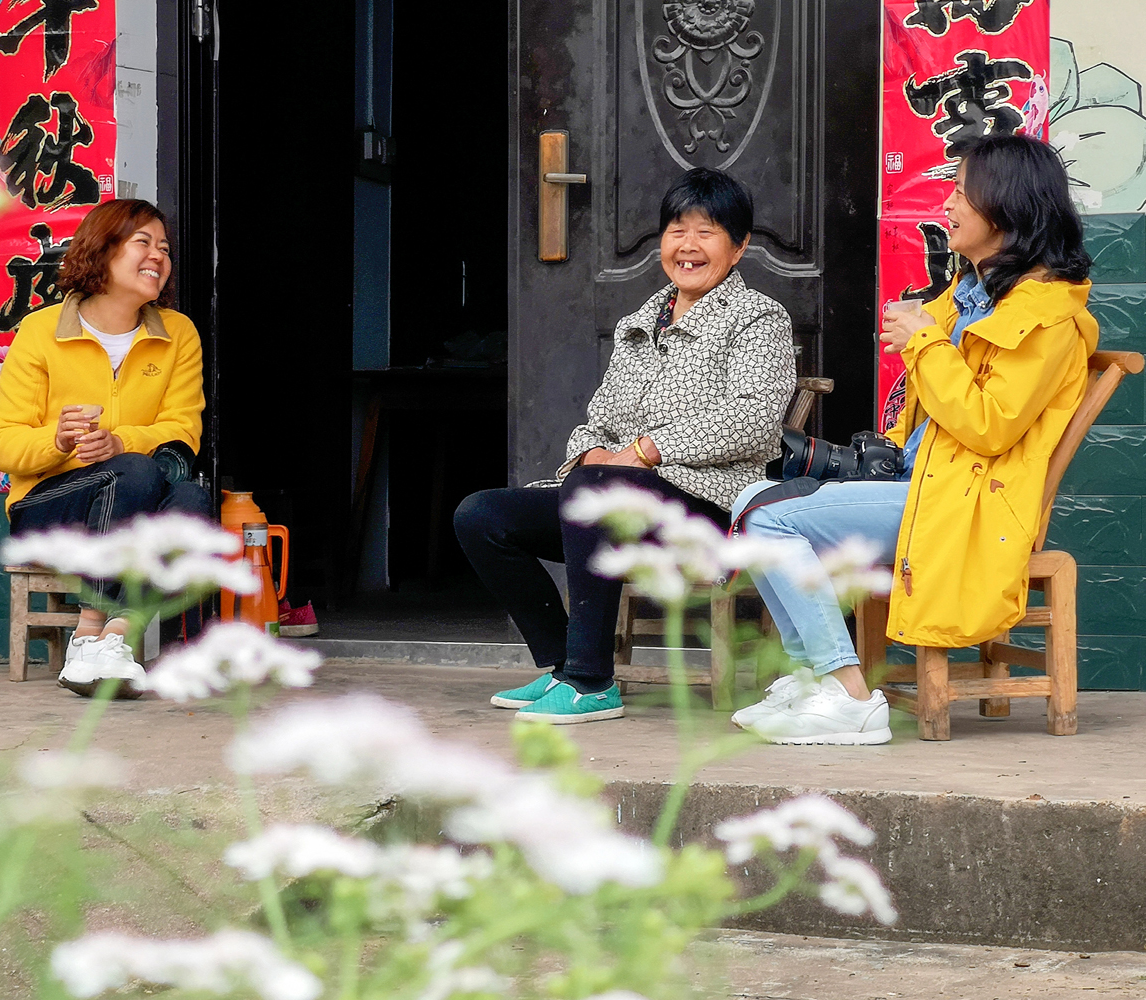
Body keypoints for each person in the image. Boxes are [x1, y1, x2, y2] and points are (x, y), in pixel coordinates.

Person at [731, 133, 1097, 745]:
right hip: (924, 480)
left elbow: (989, 426)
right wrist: (922, 336)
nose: (947, 205)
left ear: (1007, 208)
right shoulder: (976, 293)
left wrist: (925, 342)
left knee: (771, 521)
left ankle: (849, 696)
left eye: (963, 193)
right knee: (750, 501)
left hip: (969, 504)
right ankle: (815, 677)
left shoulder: (1047, 317)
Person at [453, 168, 796, 724]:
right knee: (483, 515)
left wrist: (644, 451)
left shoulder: (759, 319)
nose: (688, 246)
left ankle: (591, 680)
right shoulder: (638, 324)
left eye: (706, 232)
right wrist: (590, 455)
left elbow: (753, 422)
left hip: (710, 510)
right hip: (616, 500)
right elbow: (599, 421)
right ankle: (563, 664)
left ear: (739, 247)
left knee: (599, 488)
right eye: (677, 230)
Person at [0, 199, 211, 698]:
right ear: (102, 251)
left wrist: (119, 441)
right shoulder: (41, 331)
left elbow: (182, 431)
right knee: (133, 472)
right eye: (143, 243)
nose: (158, 256)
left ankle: (111, 639)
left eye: (164, 248)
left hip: (134, 490)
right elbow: (3, 444)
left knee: (191, 498)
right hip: (47, 507)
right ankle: (91, 630)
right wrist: (57, 440)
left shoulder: (177, 334)